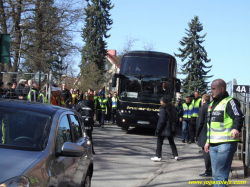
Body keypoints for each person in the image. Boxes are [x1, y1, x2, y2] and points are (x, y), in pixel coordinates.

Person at [204, 79, 244, 186]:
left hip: (226, 143)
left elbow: (238, 116)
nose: (211, 91)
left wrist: (236, 128)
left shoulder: (230, 101)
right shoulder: (212, 104)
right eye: (210, 88)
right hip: (213, 145)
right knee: (216, 175)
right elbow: (210, 126)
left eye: (213, 89)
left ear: (222, 89)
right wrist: (208, 141)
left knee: (221, 175)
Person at [151, 96, 179, 161]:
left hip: (164, 128)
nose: (160, 102)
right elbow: (176, 117)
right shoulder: (172, 108)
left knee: (159, 142)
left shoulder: (163, 109)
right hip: (170, 128)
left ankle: (158, 156)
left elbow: (162, 120)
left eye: (161, 101)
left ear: (164, 101)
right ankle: (176, 155)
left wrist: (158, 129)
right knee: (171, 142)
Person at [196, 93, 212, 177]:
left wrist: (197, 134)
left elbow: (200, 123)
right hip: (212, 132)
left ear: (203, 100)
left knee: (206, 152)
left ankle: (208, 170)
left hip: (204, 132)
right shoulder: (212, 107)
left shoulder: (202, 108)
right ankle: (211, 169)